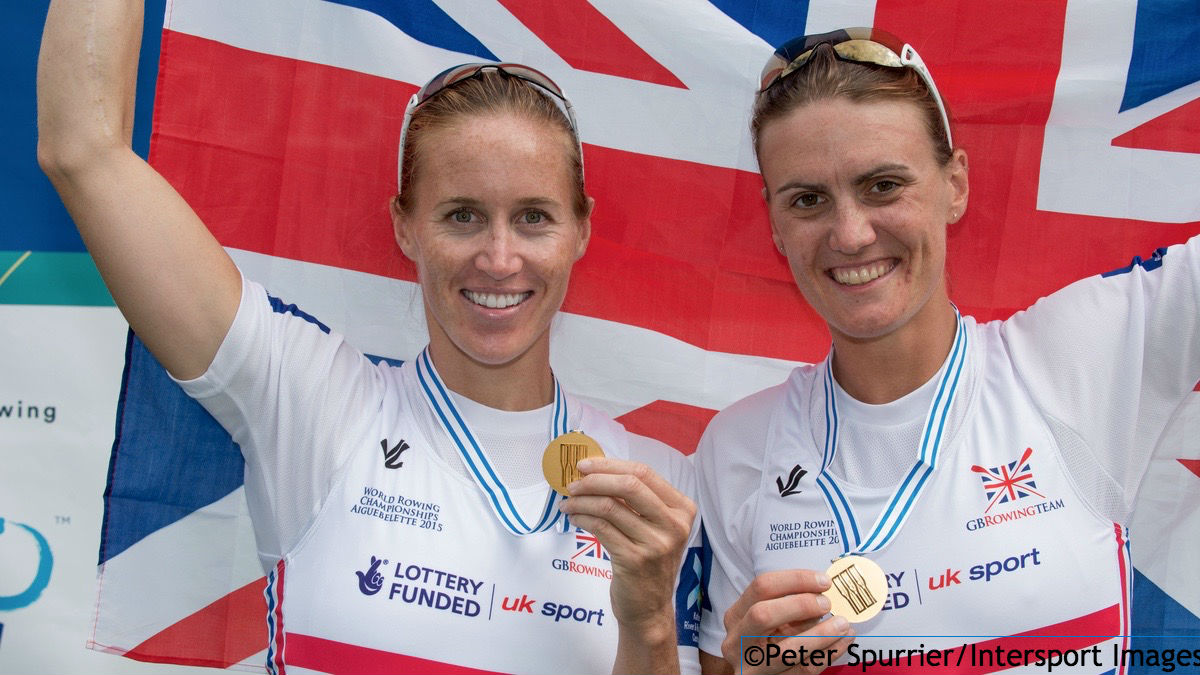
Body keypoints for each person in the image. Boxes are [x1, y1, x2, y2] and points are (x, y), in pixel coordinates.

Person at [36, 2, 701, 673]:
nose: (500, 258)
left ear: (581, 229)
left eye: (534, 217)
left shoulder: (655, 488)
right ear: (405, 225)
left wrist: (647, 621)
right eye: (461, 215)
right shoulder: (315, 403)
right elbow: (82, 149)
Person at [695, 27, 1200, 674]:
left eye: (883, 185)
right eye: (808, 200)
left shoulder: (1076, 359)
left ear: (954, 184)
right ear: (773, 221)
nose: (850, 234)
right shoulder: (738, 447)